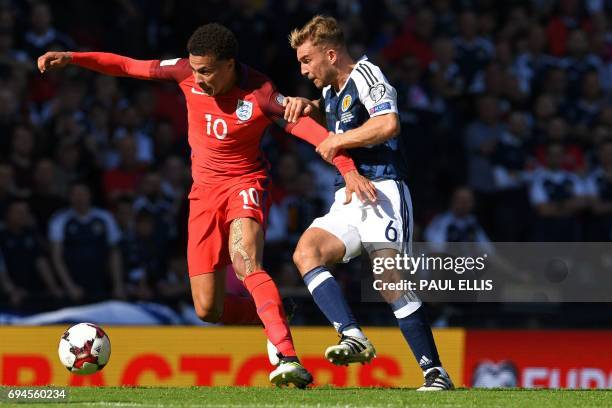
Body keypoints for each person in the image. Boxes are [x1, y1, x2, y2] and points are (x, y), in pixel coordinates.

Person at [38, 22, 375, 387]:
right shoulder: (185, 72)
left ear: (229, 64)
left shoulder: (260, 93)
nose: (198, 79)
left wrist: (348, 169)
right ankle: (275, 312)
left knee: (246, 261)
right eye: (195, 69)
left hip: (245, 184)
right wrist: (72, 57)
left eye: (206, 71)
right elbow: (126, 65)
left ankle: (286, 357)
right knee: (207, 309)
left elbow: (314, 134)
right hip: (202, 196)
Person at [282, 15, 454, 391]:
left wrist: (339, 141)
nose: (303, 68)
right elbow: (335, 110)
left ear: (331, 53)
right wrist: (309, 105)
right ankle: (352, 334)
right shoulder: (330, 91)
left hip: (384, 190)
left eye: (307, 60)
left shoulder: (367, 75)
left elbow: (388, 123)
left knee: (388, 278)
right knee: (306, 252)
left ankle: (434, 372)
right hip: (348, 195)